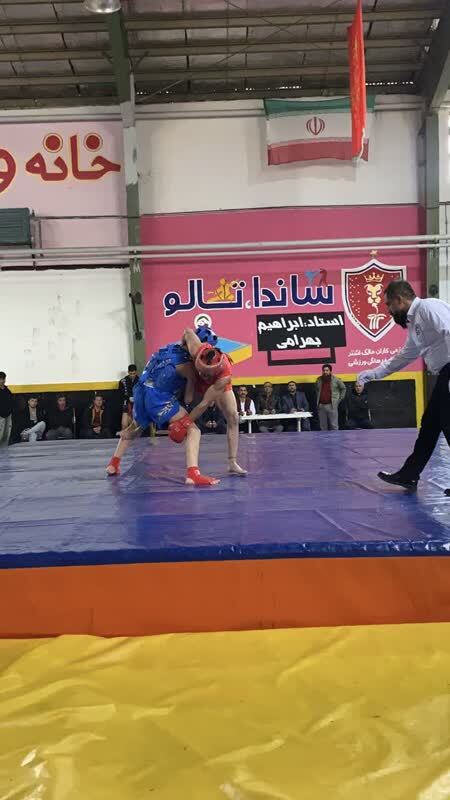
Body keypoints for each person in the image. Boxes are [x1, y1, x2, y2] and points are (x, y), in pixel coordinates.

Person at [359, 280, 450, 493]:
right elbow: (403, 357)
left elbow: (449, 330)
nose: (388, 310)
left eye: (389, 304)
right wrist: (373, 374)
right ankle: (409, 475)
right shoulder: (414, 323)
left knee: (448, 424)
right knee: (429, 426)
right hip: (443, 374)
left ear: (399, 300)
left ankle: (409, 474)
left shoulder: (428, 307)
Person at [106, 328, 227, 485]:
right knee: (193, 430)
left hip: (141, 391)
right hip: (158, 398)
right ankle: (193, 474)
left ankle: (113, 464)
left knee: (135, 427)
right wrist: (195, 384)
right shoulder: (189, 367)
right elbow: (188, 398)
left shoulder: (168, 348)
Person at [316, 364, 346, 431]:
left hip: (331, 405)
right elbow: (317, 390)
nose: (325, 372)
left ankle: (335, 438)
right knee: (323, 427)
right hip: (321, 406)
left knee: (334, 425)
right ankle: (323, 438)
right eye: (324, 370)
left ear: (330, 371)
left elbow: (343, 388)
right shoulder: (319, 380)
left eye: (327, 370)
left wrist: (338, 400)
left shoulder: (336, 380)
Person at [119, 364, 139, 431]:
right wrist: (128, 398)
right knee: (124, 425)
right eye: (131, 374)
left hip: (137, 404)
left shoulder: (140, 381)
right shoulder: (123, 381)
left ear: (136, 372)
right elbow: (120, 395)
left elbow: (142, 393)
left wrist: (136, 398)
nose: (132, 375)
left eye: (134, 373)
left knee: (135, 425)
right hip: (126, 403)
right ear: (128, 372)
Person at [0, 371, 13, 448]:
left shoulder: (7, 390)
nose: (3, 381)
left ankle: (4, 450)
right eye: (1, 379)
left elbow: (11, 401)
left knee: (6, 434)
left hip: (8, 415)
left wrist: (10, 411)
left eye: (4, 379)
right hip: (0, 416)